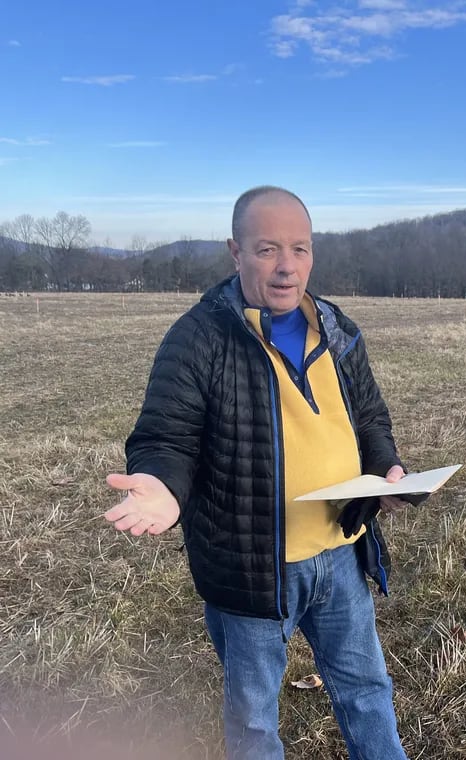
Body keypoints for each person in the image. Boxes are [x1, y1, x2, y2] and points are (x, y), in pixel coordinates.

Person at [104, 186, 410, 759]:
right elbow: (165, 436)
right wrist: (165, 486)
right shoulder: (198, 339)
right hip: (251, 570)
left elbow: (369, 416)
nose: (287, 266)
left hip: (341, 550)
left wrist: (385, 465)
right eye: (267, 249)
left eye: (300, 248)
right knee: (252, 721)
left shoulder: (336, 329)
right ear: (235, 252)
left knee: (367, 689)